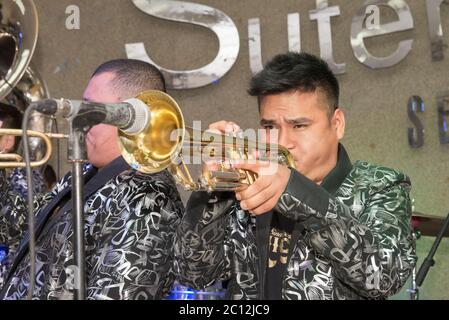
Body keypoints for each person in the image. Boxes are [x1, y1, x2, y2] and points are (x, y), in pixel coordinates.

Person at [174, 52, 417, 300]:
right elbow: (193, 274)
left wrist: (296, 192)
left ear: (337, 123)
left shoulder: (381, 184)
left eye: (299, 126)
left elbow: (384, 278)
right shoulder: (247, 185)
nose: (282, 142)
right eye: (269, 127)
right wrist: (216, 189)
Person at [0, 59, 184, 300]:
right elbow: (19, 227)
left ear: (130, 118)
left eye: (91, 110)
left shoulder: (150, 200)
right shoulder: (85, 173)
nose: (78, 120)